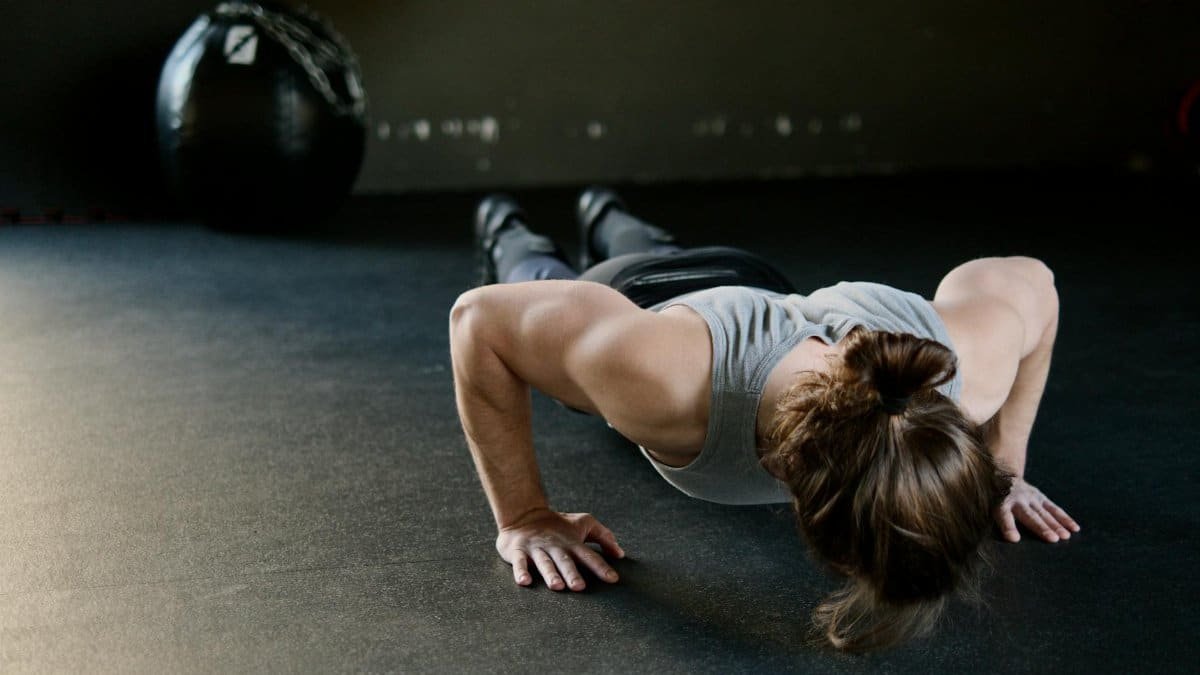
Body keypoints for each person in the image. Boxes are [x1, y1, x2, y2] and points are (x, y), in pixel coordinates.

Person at [449, 187, 1080, 651]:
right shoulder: (659, 384)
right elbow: (479, 322)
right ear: (791, 483)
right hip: (637, 296)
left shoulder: (967, 371)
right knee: (539, 280)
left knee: (669, 249)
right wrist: (525, 517)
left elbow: (1037, 283)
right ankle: (507, 225)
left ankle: (606, 210)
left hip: (747, 279)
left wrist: (1002, 468)